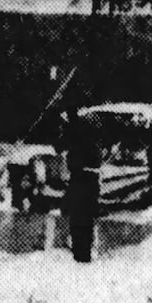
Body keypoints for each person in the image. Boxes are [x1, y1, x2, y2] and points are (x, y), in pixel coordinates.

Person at [60, 108, 102, 263]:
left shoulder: (81, 139)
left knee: (79, 220)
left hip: (81, 179)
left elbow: (66, 141)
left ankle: (81, 253)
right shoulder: (90, 141)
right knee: (85, 220)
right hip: (87, 179)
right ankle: (83, 252)